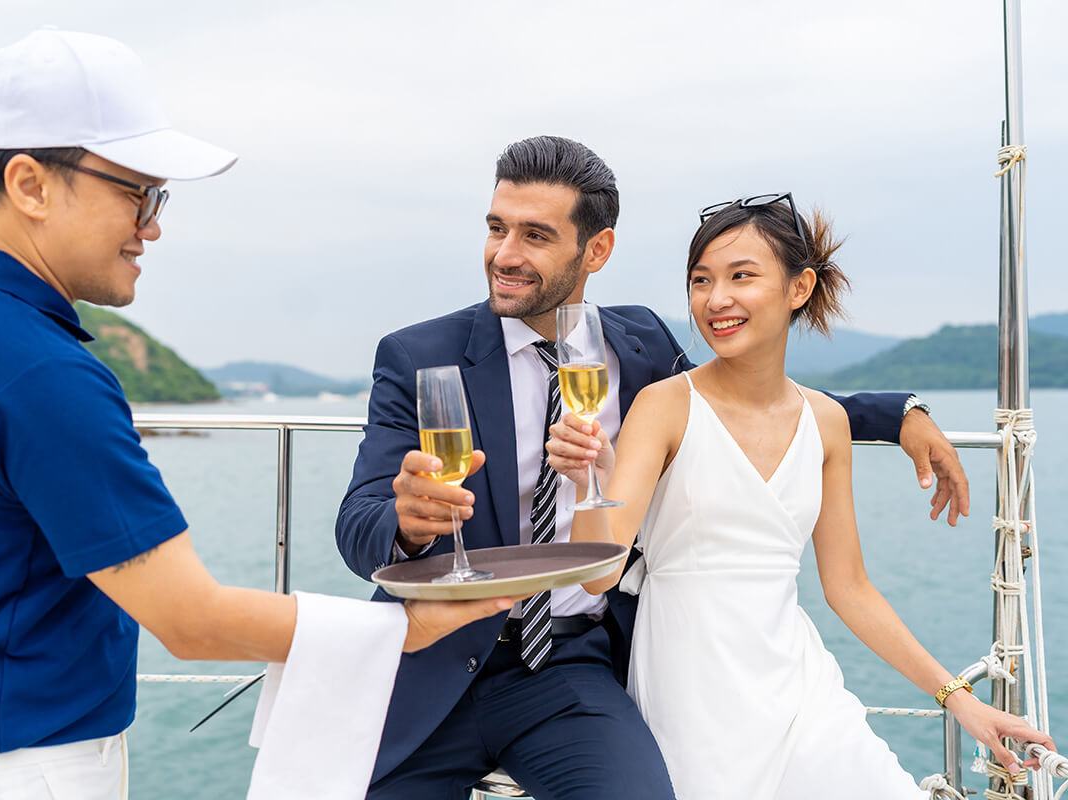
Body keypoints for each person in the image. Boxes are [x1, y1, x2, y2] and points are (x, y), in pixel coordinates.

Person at [0, 29, 515, 800]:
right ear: (31, 184)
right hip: (22, 769)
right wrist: (406, 628)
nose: (152, 225)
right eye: (135, 193)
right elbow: (190, 618)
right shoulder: (38, 370)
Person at [335, 136, 972, 798]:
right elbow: (357, 525)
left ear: (596, 251)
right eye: (496, 229)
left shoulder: (636, 345)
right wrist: (406, 524)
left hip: (569, 665)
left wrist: (898, 413)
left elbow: (740, 401)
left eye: (534, 235)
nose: (504, 255)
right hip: (432, 661)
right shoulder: (417, 354)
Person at [544, 194, 1056, 798]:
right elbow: (599, 576)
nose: (716, 300)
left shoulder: (827, 420)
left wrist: (959, 700)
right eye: (701, 280)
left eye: (742, 276)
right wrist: (585, 485)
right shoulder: (665, 406)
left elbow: (849, 588)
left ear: (798, 287)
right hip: (691, 690)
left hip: (801, 689)